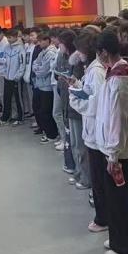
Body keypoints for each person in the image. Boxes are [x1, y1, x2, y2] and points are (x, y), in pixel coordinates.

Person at [89, 30, 128, 254]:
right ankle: (118, 238)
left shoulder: (120, 80)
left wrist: (113, 153)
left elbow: (118, 119)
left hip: (118, 150)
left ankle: (126, 247)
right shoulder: (116, 73)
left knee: (120, 200)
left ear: (103, 52)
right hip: (113, 147)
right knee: (114, 199)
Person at [69, 29, 108, 229]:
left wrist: (75, 99)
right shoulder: (91, 69)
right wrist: (77, 86)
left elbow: (96, 103)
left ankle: (103, 218)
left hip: (96, 133)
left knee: (100, 179)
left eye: (81, 50)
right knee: (97, 178)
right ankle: (102, 216)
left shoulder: (97, 71)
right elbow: (89, 92)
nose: (79, 54)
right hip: (92, 132)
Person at [31, 32, 60, 144]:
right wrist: (37, 69)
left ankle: (52, 134)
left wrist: (37, 70)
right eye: (38, 41)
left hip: (48, 86)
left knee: (46, 111)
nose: (39, 43)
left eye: (41, 41)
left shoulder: (51, 53)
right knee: (40, 110)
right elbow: (35, 64)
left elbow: (44, 71)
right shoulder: (42, 52)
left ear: (47, 40)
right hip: (41, 85)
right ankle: (48, 132)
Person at [54, 30, 77, 160]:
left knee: (71, 125)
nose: (59, 45)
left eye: (61, 43)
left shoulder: (75, 58)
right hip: (62, 90)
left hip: (72, 95)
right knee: (63, 116)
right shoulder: (61, 55)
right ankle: (67, 146)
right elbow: (57, 70)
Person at [0, 28, 25, 127]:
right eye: (7, 37)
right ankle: (5, 118)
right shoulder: (7, 47)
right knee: (6, 98)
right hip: (7, 77)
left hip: (16, 78)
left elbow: (22, 63)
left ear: (16, 37)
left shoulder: (20, 48)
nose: (8, 39)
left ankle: (20, 118)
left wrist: (18, 76)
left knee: (18, 99)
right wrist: (0, 61)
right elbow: (5, 59)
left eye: (10, 37)